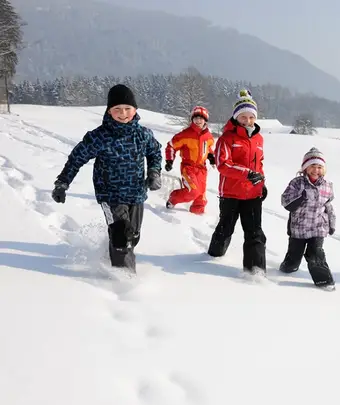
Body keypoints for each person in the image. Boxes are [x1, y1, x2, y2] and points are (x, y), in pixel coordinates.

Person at [51, 84, 162, 273]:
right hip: (110, 195)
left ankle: (111, 251)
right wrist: (62, 183)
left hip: (136, 193)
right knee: (121, 235)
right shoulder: (99, 137)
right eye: (117, 109)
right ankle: (124, 279)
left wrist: (154, 172)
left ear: (135, 109)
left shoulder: (143, 135)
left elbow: (155, 153)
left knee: (133, 236)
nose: (123, 113)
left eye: (127, 108)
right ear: (109, 111)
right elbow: (77, 158)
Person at [207, 89, 267, 275]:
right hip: (231, 194)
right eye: (243, 117)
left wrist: (261, 183)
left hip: (252, 194)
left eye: (251, 117)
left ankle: (255, 270)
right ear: (236, 117)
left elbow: (260, 164)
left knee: (255, 232)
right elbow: (223, 165)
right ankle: (214, 255)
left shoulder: (258, 139)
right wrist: (247, 174)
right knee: (225, 229)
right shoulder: (227, 138)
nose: (247, 121)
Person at [279, 147, 336, 289]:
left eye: (319, 167)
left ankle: (324, 281)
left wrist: (332, 223)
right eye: (312, 166)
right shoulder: (297, 183)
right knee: (294, 257)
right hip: (299, 228)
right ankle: (289, 266)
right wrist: (300, 197)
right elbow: (285, 201)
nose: (316, 170)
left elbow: (328, 206)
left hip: (318, 227)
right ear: (305, 167)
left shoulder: (327, 186)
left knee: (316, 254)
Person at [164, 105, 216, 214]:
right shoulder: (185, 134)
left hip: (202, 169)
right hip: (188, 167)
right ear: (192, 119)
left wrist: (211, 157)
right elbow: (171, 146)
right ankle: (173, 198)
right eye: (196, 118)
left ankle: (196, 215)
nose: (198, 120)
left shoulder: (208, 136)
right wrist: (170, 160)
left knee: (201, 196)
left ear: (205, 121)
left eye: (201, 118)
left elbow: (208, 148)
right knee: (193, 191)